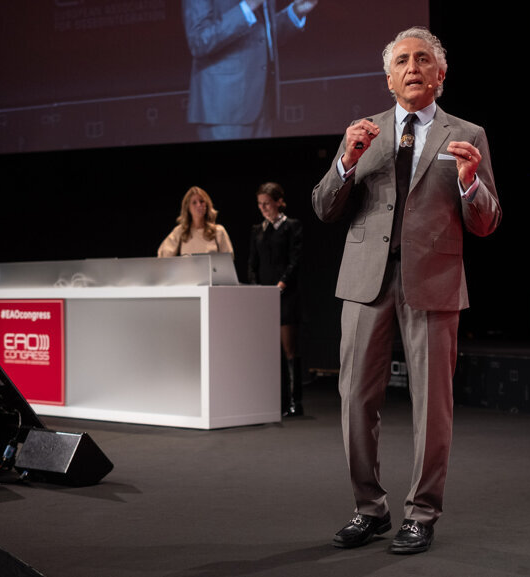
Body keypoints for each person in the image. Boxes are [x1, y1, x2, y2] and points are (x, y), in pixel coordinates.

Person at [312, 26, 502, 555]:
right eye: (402, 60)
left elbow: (487, 223)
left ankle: (422, 514)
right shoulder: (363, 131)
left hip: (434, 281)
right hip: (364, 282)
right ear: (388, 76)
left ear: (441, 75)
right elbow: (325, 207)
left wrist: (470, 181)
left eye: (423, 59)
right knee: (354, 400)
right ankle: (369, 509)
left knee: (432, 406)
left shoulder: (468, 133)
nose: (412, 67)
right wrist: (346, 162)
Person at [182, 0, 319, 141]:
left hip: (263, 106)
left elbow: (261, 37)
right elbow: (198, 40)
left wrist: (295, 12)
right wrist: (248, 6)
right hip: (224, 112)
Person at [247, 182, 304, 416]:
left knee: (289, 349)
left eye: (267, 204)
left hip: (286, 295)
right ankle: (275, 401)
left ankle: (294, 401)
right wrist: (255, 288)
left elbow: (295, 260)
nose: (263, 208)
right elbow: (252, 263)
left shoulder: (292, 227)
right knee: (269, 351)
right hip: (264, 297)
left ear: (279, 202)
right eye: (260, 205)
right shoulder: (258, 230)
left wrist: (282, 284)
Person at [158, 186, 235, 257]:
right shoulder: (181, 231)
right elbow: (163, 255)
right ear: (188, 208)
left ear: (207, 205)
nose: (199, 205)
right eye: (194, 202)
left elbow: (228, 260)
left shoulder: (218, 231)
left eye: (201, 201)